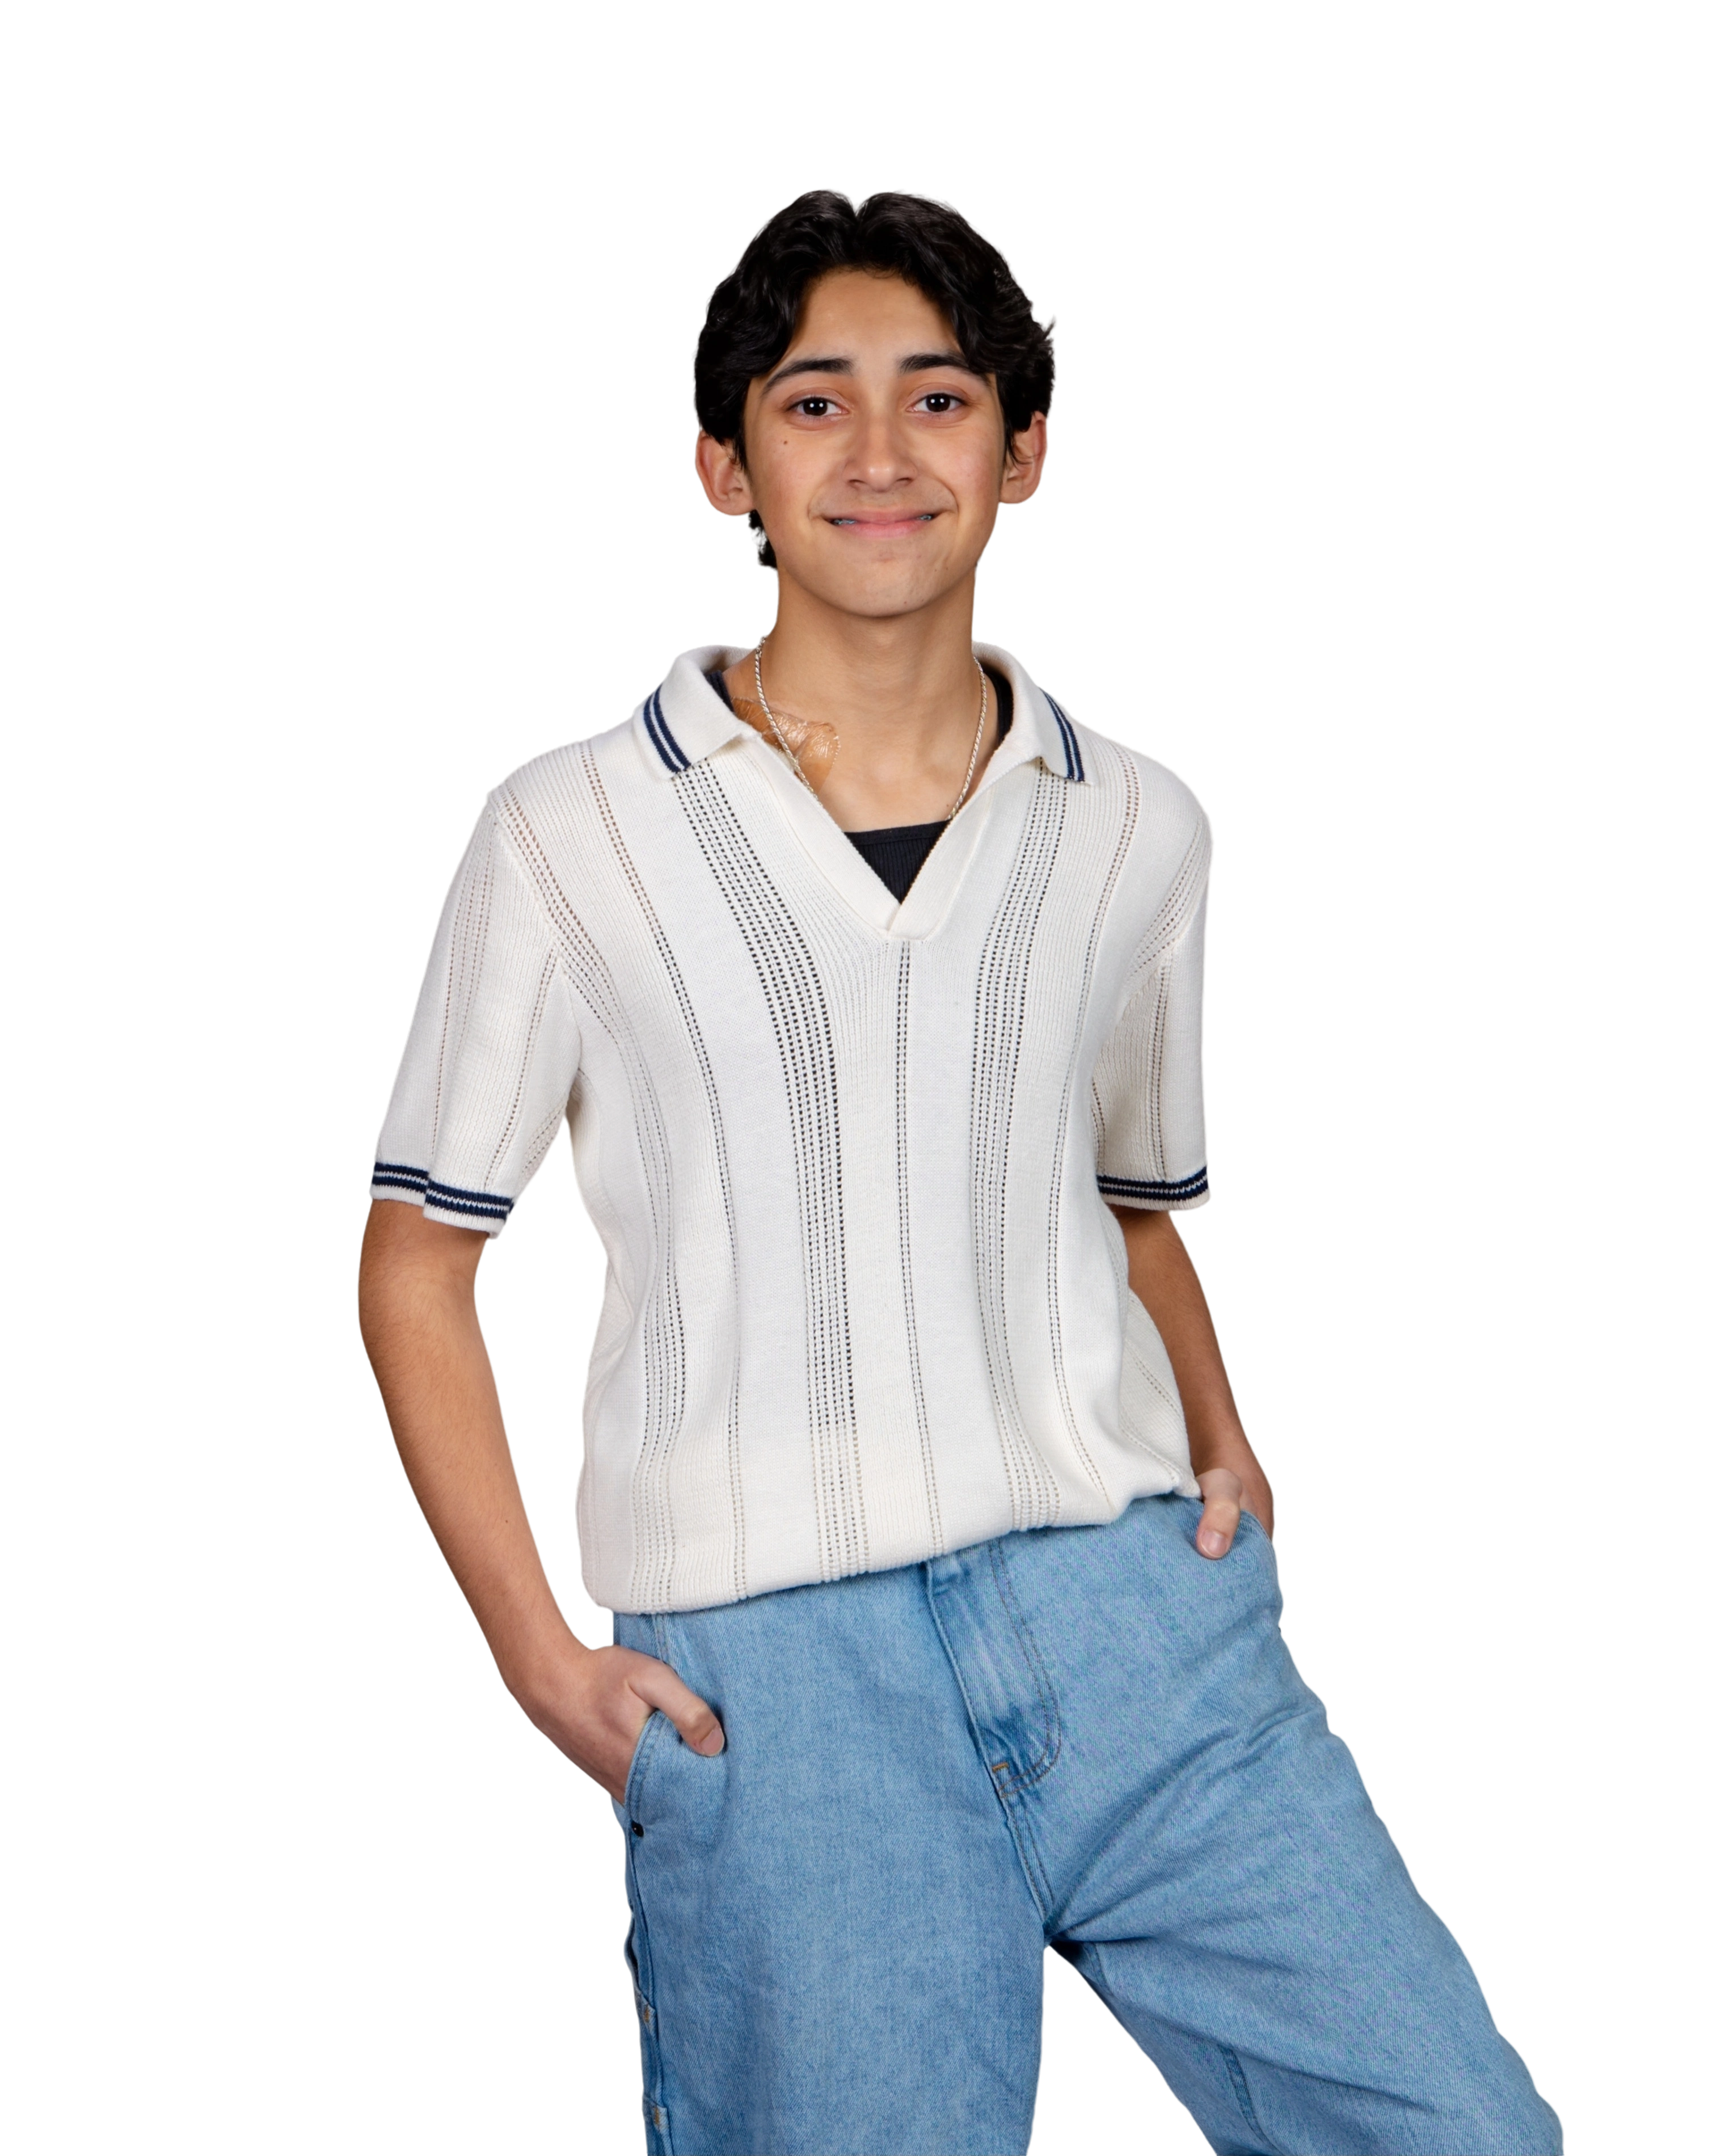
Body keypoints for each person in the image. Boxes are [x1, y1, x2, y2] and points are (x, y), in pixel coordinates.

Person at [354, 188, 1564, 2156]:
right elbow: (415, 1258)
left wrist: (1229, 1454)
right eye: (812, 400)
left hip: (1135, 1614)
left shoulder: (1136, 828)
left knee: (1462, 2131)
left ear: (1024, 453)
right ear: (724, 465)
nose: (882, 449)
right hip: (779, 1671)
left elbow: (1132, 1199)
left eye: (939, 396)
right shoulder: (569, 832)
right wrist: (535, 1653)